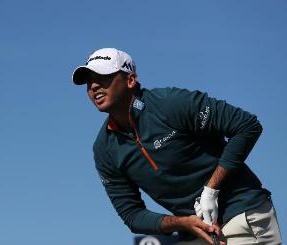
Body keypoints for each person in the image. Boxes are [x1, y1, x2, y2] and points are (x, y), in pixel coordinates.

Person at [71, 48, 282, 244]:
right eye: (89, 82)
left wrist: (211, 189)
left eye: (103, 78)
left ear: (131, 80)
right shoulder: (105, 149)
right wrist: (183, 222)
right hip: (195, 232)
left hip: (241, 214)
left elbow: (247, 126)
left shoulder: (171, 104)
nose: (94, 86)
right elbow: (132, 214)